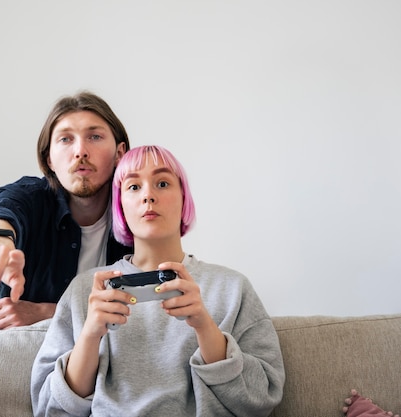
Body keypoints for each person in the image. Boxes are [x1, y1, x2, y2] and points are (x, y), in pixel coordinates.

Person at [31, 145, 285, 416]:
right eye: (133, 187)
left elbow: (263, 398)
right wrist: (91, 335)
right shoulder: (86, 290)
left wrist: (205, 327)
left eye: (162, 183)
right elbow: (48, 407)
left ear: (183, 198)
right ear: (120, 206)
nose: (148, 196)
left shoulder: (232, 288)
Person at [0, 91, 133, 328]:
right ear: (49, 158)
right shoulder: (32, 196)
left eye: (94, 136)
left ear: (119, 153)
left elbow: (147, 312)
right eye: (65, 139)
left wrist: (48, 312)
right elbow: (5, 209)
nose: (80, 151)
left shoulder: (137, 213)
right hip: (18, 352)